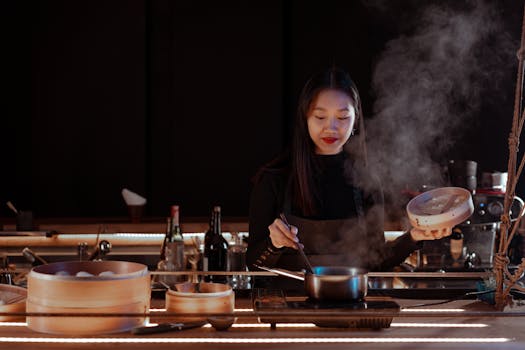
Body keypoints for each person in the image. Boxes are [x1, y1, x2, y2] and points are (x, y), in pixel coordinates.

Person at [247, 67, 450, 275]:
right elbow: (253, 265)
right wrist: (274, 244)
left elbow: (377, 261)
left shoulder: (366, 179)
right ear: (304, 118)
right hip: (285, 304)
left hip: (351, 303)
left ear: (355, 120)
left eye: (342, 117)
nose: (331, 127)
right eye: (320, 117)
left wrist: (414, 236)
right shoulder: (273, 178)